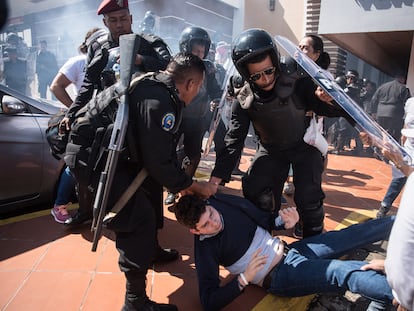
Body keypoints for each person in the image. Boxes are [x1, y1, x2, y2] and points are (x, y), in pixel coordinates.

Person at [209, 28, 353, 238]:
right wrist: (217, 178)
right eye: (257, 76)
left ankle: (313, 238)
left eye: (269, 71)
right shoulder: (244, 96)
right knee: (258, 192)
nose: (265, 79)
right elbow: (234, 138)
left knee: (309, 198)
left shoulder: (295, 78)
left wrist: (328, 101)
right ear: (247, 74)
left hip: (304, 146)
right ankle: (262, 237)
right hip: (271, 148)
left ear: (275, 62)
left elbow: (324, 109)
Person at [105, 53, 216, 311]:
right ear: (189, 84)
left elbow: (160, 152)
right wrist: (195, 186)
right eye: (198, 87)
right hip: (114, 169)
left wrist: (180, 181)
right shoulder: (161, 102)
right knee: (137, 222)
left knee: (151, 197)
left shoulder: (155, 86)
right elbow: (158, 163)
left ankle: (151, 250)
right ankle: (135, 302)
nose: (197, 93)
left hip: (129, 163)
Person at [172, 193, 395, 311]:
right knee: (341, 271)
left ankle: (404, 223)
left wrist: (283, 220)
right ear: (194, 230)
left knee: (350, 235)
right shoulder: (205, 247)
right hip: (280, 277)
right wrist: (243, 279)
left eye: (211, 214)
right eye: (206, 225)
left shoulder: (220, 203)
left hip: (293, 251)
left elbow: (262, 219)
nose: (214, 222)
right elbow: (209, 301)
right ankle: (404, 294)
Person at [62, 0, 171, 229]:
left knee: (148, 175)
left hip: (142, 121)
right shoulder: (98, 47)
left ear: (131, 19)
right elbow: (88, 85)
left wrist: (142, 61)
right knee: (86, 160)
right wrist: (72, 114)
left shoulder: (148, 43)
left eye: (123, 19)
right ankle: (87, 211)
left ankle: (152, 237)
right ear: (105, 22)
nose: (119, 24)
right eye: (113, 20)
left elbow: (169, 69)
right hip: (108, 118)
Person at [164, 26, 227, 205]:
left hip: (198, 119)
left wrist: (215, 100)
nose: (199, 54)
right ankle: (171, 188)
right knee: (172, 154)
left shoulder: (208, 68)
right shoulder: (177, 65)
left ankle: (185, 186)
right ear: (185, 47)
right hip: (177, 118)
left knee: (193, 155)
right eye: (195, 50)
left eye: (202, 50)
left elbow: (215, 90)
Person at [49, 27, 105, 223]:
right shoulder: (78, 62)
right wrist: (74, 110)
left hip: (104, 122)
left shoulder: (110, 61)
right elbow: (56, 86)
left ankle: (93, 208)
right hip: (83, 123)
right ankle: (60, 205)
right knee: (76, 164)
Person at [376, 97, 414, 218]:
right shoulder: (410, 102)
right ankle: (384, 207)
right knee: (399, 177)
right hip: (409, 145)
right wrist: (403, 138)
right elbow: (406, 122)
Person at [371, 70, 411, 142]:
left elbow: (374, 99)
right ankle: (390, 151)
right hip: (395, 114)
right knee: (394, 135)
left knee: (381, 133)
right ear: (402, 79)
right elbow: (408, 103)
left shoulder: (382, 86)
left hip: (381, 112)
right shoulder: (403, 88)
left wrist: (373, 112)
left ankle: (378, 149)